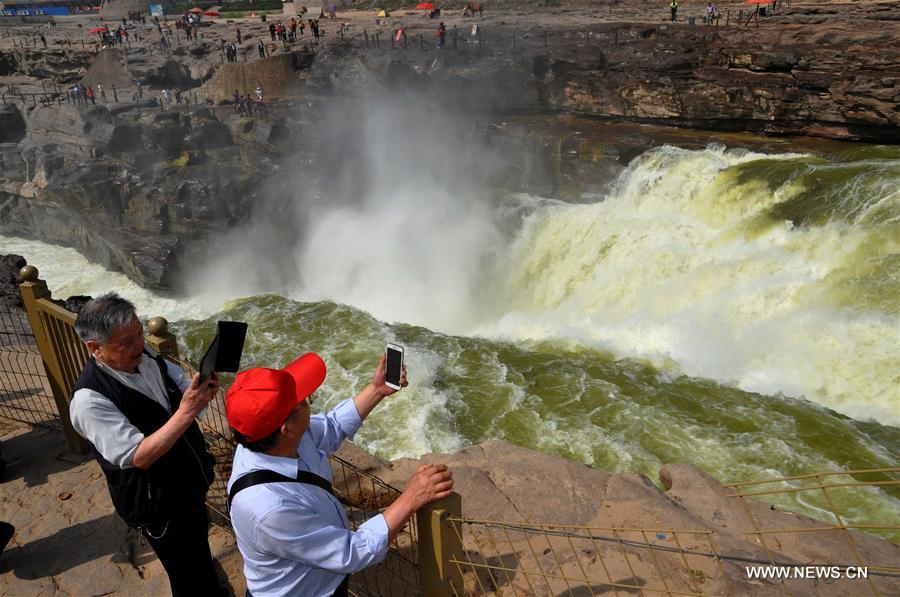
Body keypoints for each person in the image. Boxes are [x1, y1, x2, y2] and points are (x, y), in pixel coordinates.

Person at [227, 352, 454, 596]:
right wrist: (411, 498)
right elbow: (352, 552)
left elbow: (332, 427)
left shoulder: (268, 439)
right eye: (304, 400)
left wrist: (376, 390)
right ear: (287, 429)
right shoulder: (269, 509)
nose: (308, 402)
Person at [69, 293, 222, 596]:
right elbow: (138, 455)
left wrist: (199, 392)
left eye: (139, 333)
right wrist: (188, 410)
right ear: (95, 348)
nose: (139, 344)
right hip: (157, 503)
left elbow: (177, 387)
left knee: (198, 549)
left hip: (187, 483)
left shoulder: (145, 356)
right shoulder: (89, 401)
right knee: (184, 571)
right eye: (126, 342)